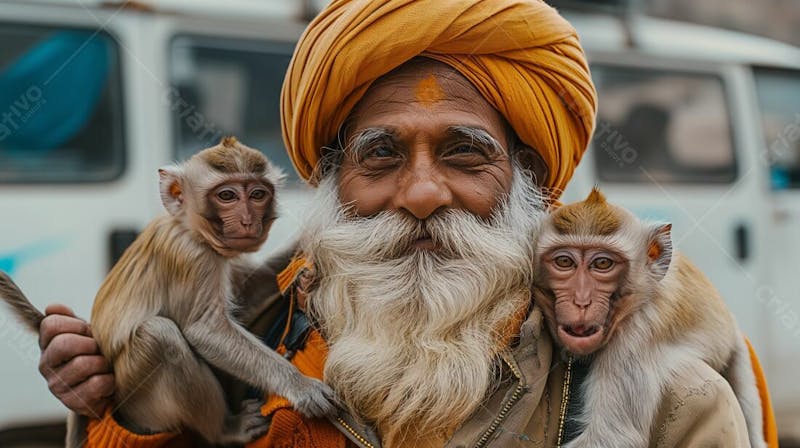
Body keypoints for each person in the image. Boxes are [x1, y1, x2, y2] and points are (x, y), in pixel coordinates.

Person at [36, 0, 777, 447]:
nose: (422, 193)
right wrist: (124, 402)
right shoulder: (251, 348)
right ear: (333, 182)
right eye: (381, 155)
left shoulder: (667, 399)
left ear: (533, 185)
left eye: (466, 153)